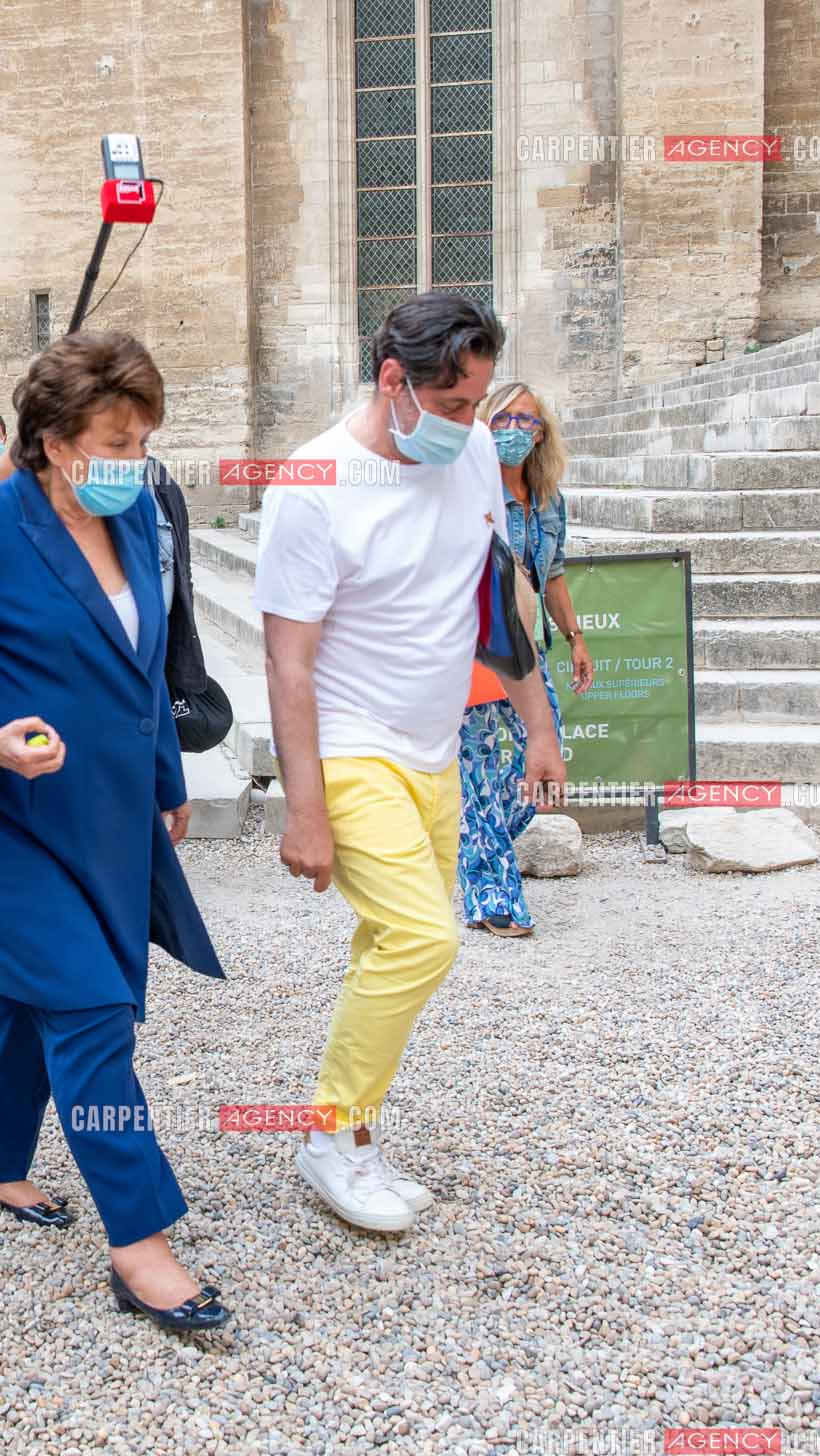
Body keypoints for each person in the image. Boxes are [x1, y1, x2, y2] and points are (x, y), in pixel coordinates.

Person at [0, 330, 232, 1335]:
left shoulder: (134, 523)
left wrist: (164, 779)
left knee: (27, 1003)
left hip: (106, 818)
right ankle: (140, 1237)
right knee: (87, 1010)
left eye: (144, 440)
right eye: (116, 439)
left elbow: (141, 671)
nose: (134, 459)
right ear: (52, 439)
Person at [254, 292, 566, 1235]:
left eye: (479, 403)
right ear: (394, 382)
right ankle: (330, 1135)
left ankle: (354, 1137)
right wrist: (304, 813)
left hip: (435, 749)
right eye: (460, 403)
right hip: (352, 745)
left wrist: (539, 723)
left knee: (389, 948)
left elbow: (497, 591)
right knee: (426, 939)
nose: (477, 425)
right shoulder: (311, 485)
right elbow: (287, 660)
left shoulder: (466, 451)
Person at [457, 383, 593, 938]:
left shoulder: (548, 500)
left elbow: (552, 574)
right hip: (474, 649)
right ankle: (492, 895)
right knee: (480, 773)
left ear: (542, 433)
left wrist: (576, 636)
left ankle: (472, 838)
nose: (516, 431)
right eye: (505, 419)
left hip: (527, 652)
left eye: (528, 422)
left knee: (542, 760)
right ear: (486, 424)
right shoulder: (470, 492)